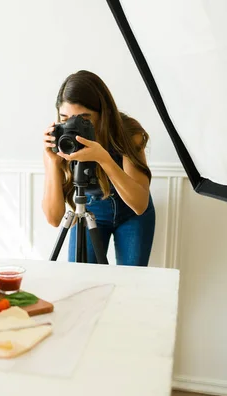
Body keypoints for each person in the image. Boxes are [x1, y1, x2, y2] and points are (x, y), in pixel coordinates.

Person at [41, 70, 156, 266]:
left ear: (104, 115)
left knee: (131, 283)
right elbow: (53, 218)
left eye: (84, 118)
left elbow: (139, 205)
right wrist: (52, 162)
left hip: (131, 215)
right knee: (82, 280)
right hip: (88, 207)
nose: (72, 126)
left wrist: (104, 159)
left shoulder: (127, 133)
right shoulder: (60, 140)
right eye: (64, 117)